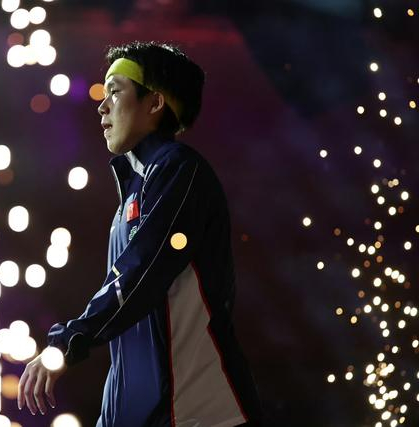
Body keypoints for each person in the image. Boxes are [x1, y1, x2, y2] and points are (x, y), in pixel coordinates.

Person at [18, 41, 263, 427]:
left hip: (198, 414)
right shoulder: (136, 191)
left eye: (115, 91)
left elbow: (141, 272)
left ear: (155, 103)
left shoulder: (180, 170)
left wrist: (69, 340)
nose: (102, 106)